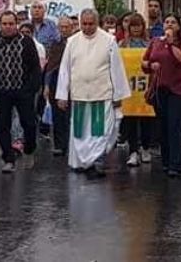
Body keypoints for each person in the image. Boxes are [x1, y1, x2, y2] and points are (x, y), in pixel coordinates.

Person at [56, 9, 131, 175]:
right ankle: (81, 162)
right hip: (79, 94)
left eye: (91, 24)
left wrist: (118, 94)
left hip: (102, 93)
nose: (88, 27)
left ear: (97, 23)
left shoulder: (109, 40)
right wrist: (62, 95)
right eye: (84, 24)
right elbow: (65, 69)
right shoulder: (72, 42)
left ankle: (96, 161)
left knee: (100, 132)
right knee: (80, 132)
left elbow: (116, 69)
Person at [0, 11, 42, 173]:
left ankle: (29, 149)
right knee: (3, 126)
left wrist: (32, 89)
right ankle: (8, 159)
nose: (8, 27)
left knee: (29, 123)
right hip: (2, 91)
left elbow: (35, 67)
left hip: (23, 91)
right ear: (0, 24)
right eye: (4, 24)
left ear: (16, 24)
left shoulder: (26, 41)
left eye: (11, 24)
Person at [143, 14, 181, 177]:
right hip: (160, 88)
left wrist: (171, 44)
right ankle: (165, 161)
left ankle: (175, 164)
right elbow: (144, 62)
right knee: (163, 126)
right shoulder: (155, 41)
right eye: (167, 22)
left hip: (178, 89)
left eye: (173, 22)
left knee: (174, 125)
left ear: (178, 26)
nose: (169, 25)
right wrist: (151, 65)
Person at [119, 13, 152, 167]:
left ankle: (145, 148)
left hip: (145, 87)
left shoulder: (150, 44)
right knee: (130, 120)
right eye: (133, 25)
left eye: (138, 25)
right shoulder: (122, 44)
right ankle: (133, 151)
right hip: (129, 88)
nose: (136, 29)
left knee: (146, 120)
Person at [44, 17, 74, 157]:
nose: (64, 30)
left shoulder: (76, 43)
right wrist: (46, 85)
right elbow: (50, 66)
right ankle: (59, 145)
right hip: (56, 81)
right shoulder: (55, 44)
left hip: (73, 81)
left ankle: (70, 145)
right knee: (57, 115)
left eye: (66, 27)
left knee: (70, 115)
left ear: (72, 28)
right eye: (61, 27)